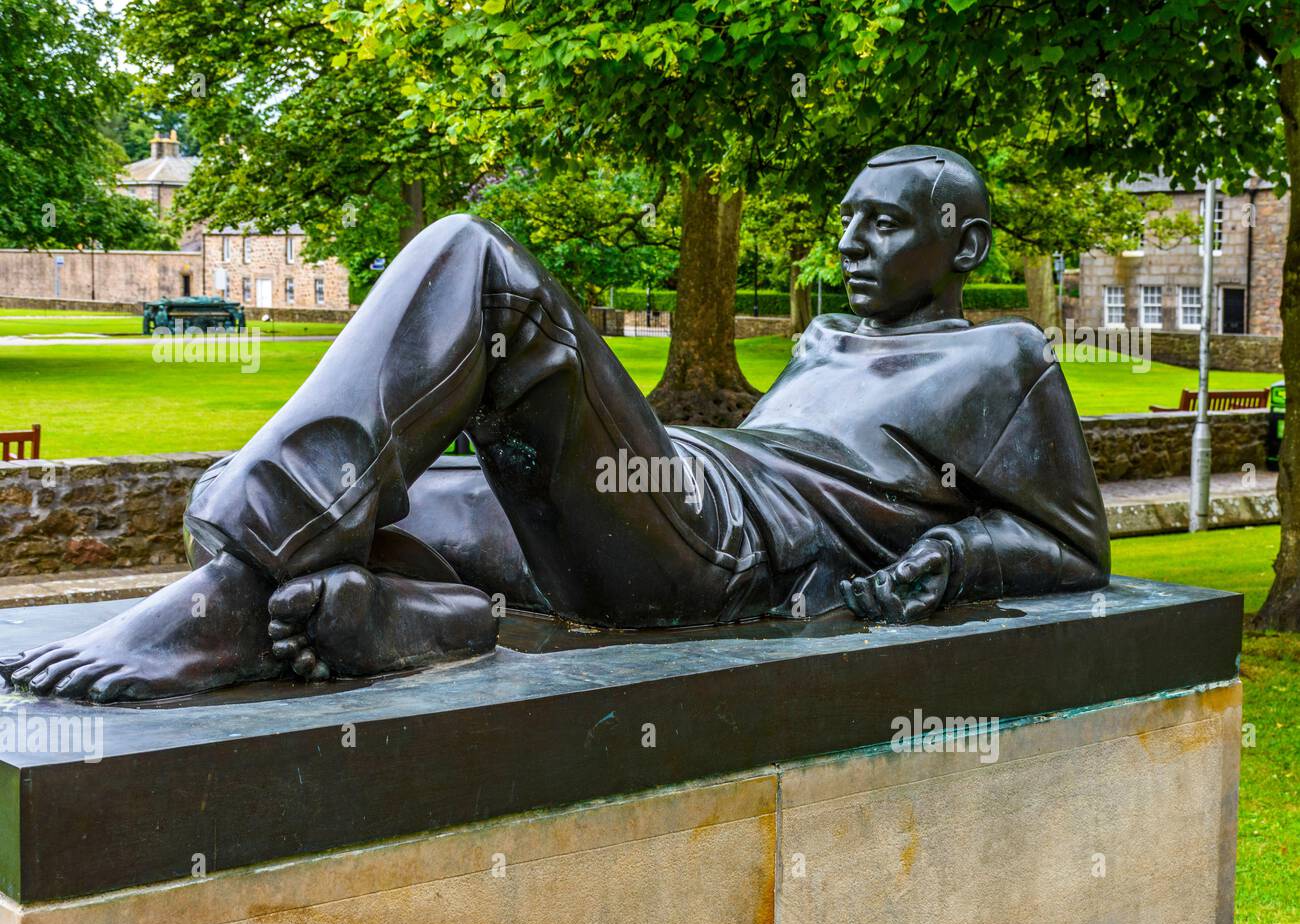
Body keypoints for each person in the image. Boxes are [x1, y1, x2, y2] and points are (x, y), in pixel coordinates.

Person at [0, 145, 1108, 703]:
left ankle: (234, 593)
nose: (852, 244)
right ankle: (426, 617)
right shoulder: (824, 337)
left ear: (965, 246)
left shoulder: (1003, 358)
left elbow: (1076, 545)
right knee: (378, 501)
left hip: (726, 543)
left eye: (885, 226)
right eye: (848, 222)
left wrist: (956, 553)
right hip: (682, 488)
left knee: (479, 266)